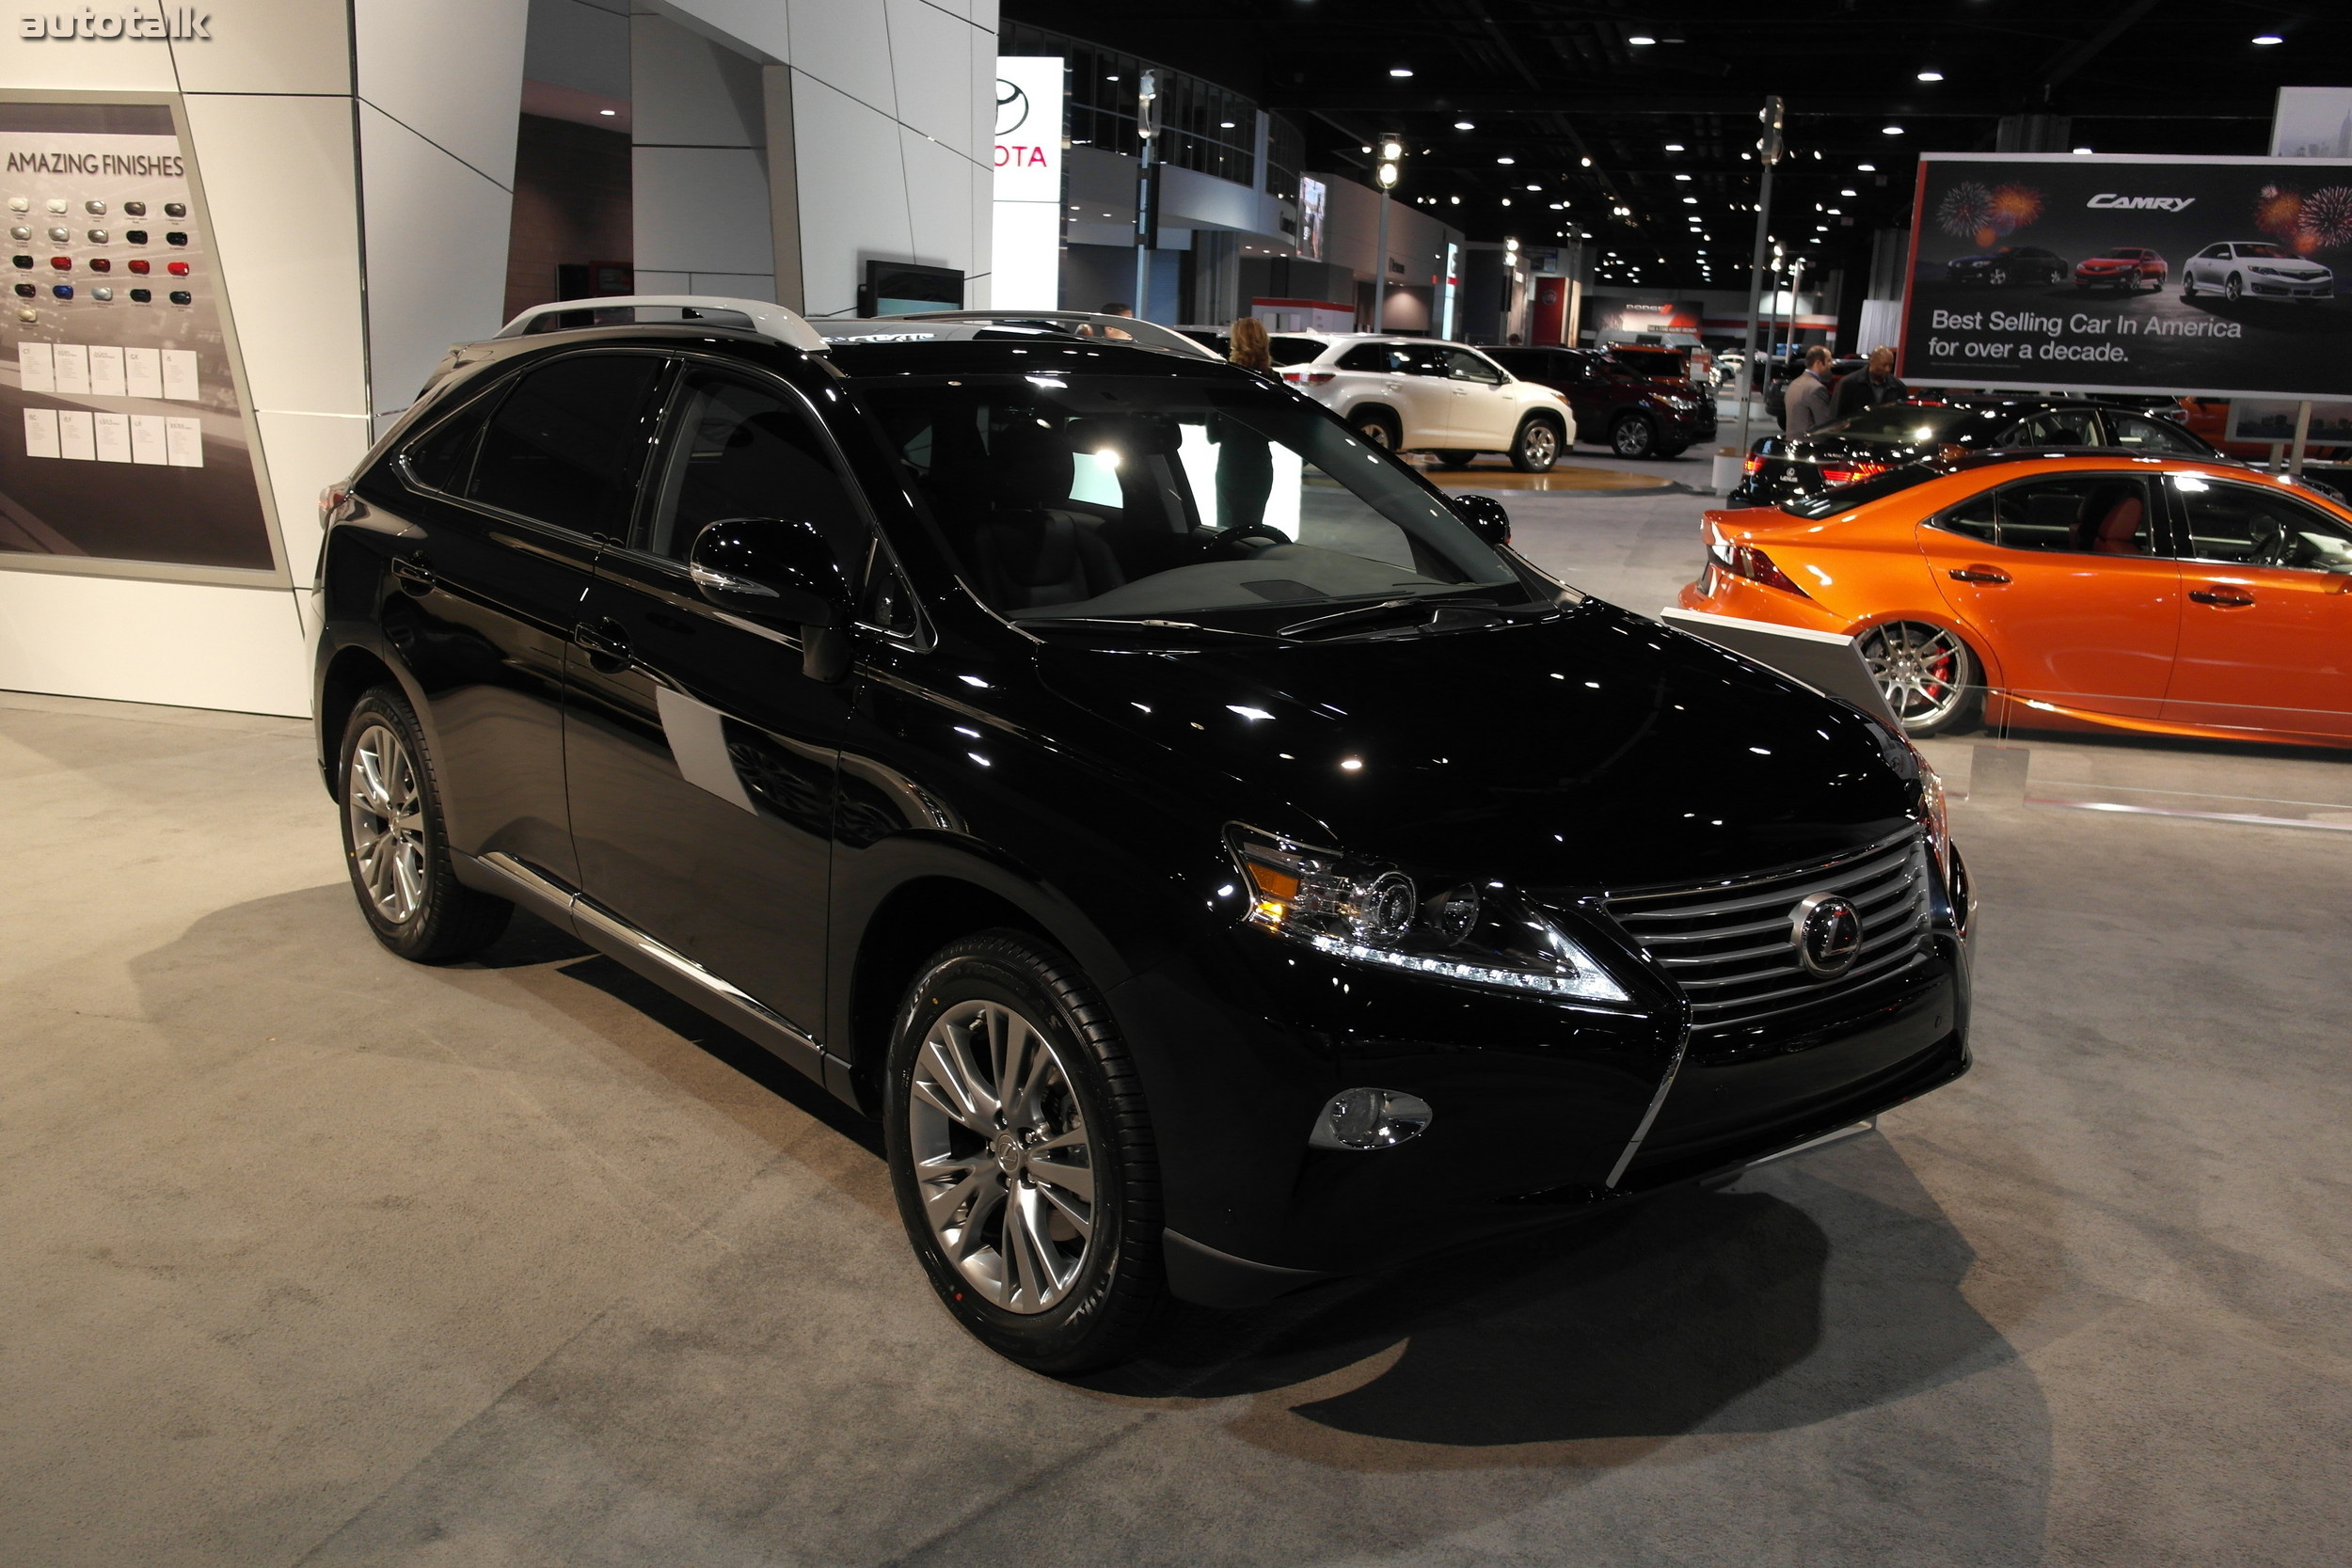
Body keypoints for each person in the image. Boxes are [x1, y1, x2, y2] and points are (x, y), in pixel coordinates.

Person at [1212, 318, 1277, 531]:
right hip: (1259, 463)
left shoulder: (1223, 378)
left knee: (1227, 527)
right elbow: (1276, 430)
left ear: (1236, 341)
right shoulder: (1273, 380)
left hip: (1232, 461)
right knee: (1253, 528)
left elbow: (1212, 434)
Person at [1832, 345, 1908, 420]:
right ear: (1872, 361)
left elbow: (1902, 418)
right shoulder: (1848, 384)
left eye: (1890, 365)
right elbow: (1836, 418)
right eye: (1884, 365)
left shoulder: (1898, 387)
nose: (1887, 369)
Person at [1783, 345, 1836, 437]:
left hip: (1792, 442)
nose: (1832, 364)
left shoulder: (1794, 384)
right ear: (1818, 363)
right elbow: (1824, 424)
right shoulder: (1816, 388)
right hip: (1810, 445)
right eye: (1828, 361)